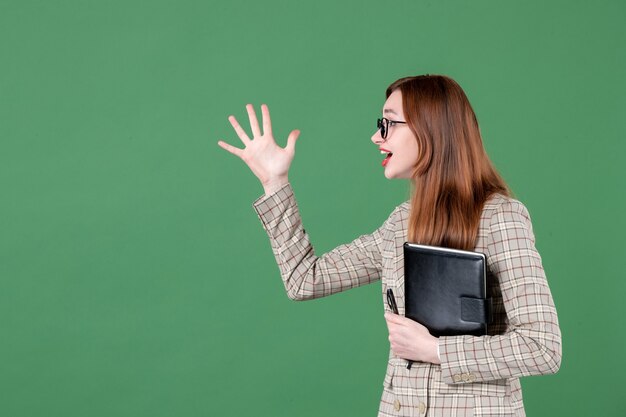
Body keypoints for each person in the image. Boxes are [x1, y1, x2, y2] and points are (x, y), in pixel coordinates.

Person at [217, 75, 562, 417]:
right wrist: (275, 182)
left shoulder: (501, 217)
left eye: (388, 123)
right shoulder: (400, 224)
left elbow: (542, 347)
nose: (375, 136)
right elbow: (305, 279)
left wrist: (435, 350)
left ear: (431, 128)